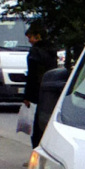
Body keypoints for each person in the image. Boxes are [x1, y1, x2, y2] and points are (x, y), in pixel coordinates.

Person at [23, 20, 58, 149]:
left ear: (37, 36)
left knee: (37, 126)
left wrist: (26, 96)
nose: (29, 41)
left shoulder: (35, 53)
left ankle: (37, 151)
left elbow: (31, 76)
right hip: (51, 91)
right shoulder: (51, 50)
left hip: (38, 91)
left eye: (30, 37)